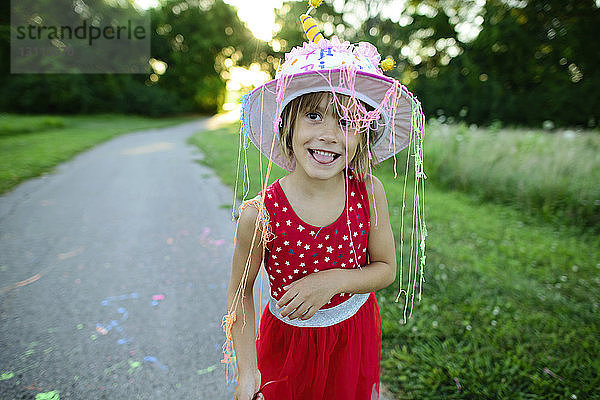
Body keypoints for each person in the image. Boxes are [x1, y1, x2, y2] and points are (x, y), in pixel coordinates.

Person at [222, 3, 426, 399]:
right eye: (314, 116)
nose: (330, 134)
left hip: (353, 333)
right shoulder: (259, 214)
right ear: (287, 125)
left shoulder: (368, 191)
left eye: (347, 121)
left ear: (364, 135)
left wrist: (331, 281)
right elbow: (240, 291)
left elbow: (385, 268)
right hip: (289, 343)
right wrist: (248, 372)